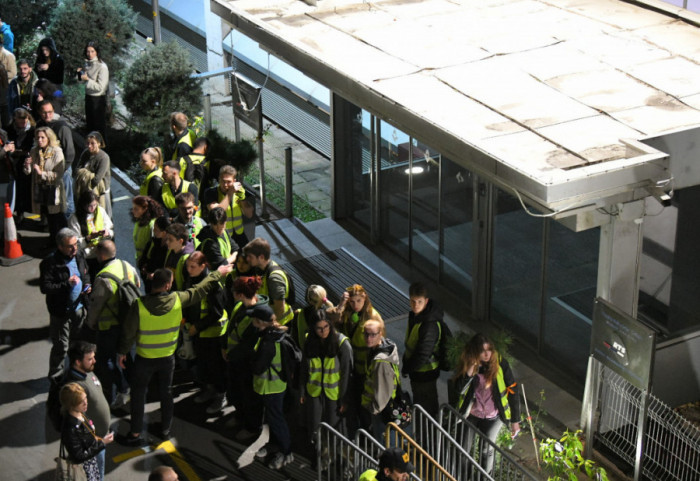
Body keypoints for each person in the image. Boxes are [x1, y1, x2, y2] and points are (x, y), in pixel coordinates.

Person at [117, 264, 233, 446]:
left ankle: (135, 433)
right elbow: (201, 288)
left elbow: (128, 333)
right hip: (167, 359)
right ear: (167, 286)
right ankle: (165, 429)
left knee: (138, 395)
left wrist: (123, 353)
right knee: (166, 392)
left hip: (144, 359)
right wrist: (219, 272)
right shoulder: (178, 299)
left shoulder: (138, 305)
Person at [453, 333, 520, 477]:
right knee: (463, 449)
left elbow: (513, 390)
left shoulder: (499, 363)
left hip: (492, 416)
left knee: (487, 451)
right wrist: (470, 370)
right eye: (482, 350)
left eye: (489, 349)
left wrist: (515, 420)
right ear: (475, 351)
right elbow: (458, 388)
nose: (487, 354)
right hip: (470, 413)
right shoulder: (468, 363)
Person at [87, 240, 140, 409]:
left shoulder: (103, 278)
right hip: (128, 322)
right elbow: (137, 285)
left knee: (106, 360)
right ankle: (134, 387)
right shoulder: (127, 266)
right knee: (125, 355)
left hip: (109, 326)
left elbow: (96, 305)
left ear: (101, 255)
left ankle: (121, 389)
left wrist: (90, 323)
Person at [330, 284, 383, 436]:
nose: (356, 305)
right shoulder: (346, 312)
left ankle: (369, 437)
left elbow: (380, 341)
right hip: (350, 368)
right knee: (352, 405)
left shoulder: (373, 316)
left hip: (366, 370)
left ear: (364, 298)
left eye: (359, 301)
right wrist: (341, 305)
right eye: (352, 302)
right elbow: (330, 318)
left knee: (366, 408)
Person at [41, 228, 90, 383]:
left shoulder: (79, 255)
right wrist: (66, 284)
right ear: (60, 246)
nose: (74, 248)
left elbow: (85, 272)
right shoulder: (50, 263)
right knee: (61, 346)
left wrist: (87, 284)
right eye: (70, 246)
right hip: (61, 312)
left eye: (75, 244)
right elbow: (45, 287)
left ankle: (76, 371)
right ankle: (56, 378)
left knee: (78, 343)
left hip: (79, 308)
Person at [250, 304, 294, 470]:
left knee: (276, 419)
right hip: (276, 385)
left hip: (271, 387)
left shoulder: (268, 341)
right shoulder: (275, 334)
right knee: (273, 418)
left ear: (260, 322)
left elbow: (258, 367)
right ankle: (275, 444)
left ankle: (286, 450)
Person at [183, 252, 228, 414]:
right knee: (204, 365)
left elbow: (216, 312)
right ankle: (209, 389)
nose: (189, 269)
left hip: (213, 334)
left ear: (203, 266)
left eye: (192, 267)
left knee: (215, 367)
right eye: (188, 266)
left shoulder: (213, 285)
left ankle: (220, 395)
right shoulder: (192, 279)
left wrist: (197, 326)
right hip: (199, 333)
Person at [60, 342, 112, 479]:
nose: (94, 361)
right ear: (77, 362)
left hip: (100, 439)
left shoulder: (86, 371)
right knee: (94, 476)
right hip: (94, 445)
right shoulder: (74, 386)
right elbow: (79, 453)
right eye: (90, 359)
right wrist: (99, 441)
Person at [300, 309, 352, 444]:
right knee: (314, 425)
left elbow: (347, 373)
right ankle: (318, 453)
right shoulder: (309, 341)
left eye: (326, 326)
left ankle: (332, 455)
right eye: (319, 328)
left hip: (333, 394)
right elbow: (304, 367)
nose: (323, 331)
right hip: (314, 391)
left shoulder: (342, 343)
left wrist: (344, 398)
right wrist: (302, 390)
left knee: (333, 428)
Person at [222, 276, 265, 439]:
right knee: (236, 391)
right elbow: (230, 327)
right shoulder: (240, 306)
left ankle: (252, 426)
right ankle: (240, 416)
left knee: (250, 396)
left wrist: (230, 353)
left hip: (247, 362)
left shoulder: (257, 315)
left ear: (240, 294)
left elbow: (248, 344)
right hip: (234, 359)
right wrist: (223, 347)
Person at [402, 281, 443, 418]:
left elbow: (422, 355)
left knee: (427, 410)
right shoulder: (416, 316)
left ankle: (425, 436)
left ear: (426, 301)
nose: (415, 305)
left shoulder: (428, 324)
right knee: (421, 406)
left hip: (426, 374)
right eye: (413, 301)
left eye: (419, 302)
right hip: (419, 373)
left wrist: (407, 367)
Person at [59, 382, 114, 481]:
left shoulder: (81, 413)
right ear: (71, 405)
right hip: (83, 469)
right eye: (81, 401)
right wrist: (102, 443)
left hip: (91, 463)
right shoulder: (70, 428)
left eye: (85, 398)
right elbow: (79, 456)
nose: (86, 403)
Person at [360, 319, 400, 442]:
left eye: (373, 334)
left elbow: (382, 389)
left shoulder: (380, 361)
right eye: (366, 334)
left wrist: (374, 408)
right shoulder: (384, 347)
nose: (369, 338)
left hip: (383, 411)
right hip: (386, 407)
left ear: (380, 333)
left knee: (386, 443)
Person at [26, 126, 66, 243]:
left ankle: (61, 242)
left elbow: (58, 175)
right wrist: (27, 165)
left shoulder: (56, 152)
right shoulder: (34, 151)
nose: (40, 140)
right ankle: (53, 240)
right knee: (47, 216)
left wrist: (41, 173)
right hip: (40, 189)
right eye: (38, 137)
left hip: (53, 190)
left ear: (49, 138)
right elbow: (28, 172)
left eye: (43, 137)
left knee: (56, 217)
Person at [37, 99, 75, 218]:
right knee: (52, 200)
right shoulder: (39, 125)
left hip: (62, 170)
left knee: (66, 200)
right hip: (47, 171)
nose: (47, 115)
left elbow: (70, 152)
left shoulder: (62, 127)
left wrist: (63, 170)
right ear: (39, 112)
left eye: (50, 112)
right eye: (44, 112)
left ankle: (69, 226)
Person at [243, 237, 294, 324]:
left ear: (261, 257)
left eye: (250, 256)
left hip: (280, 322)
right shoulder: (261, 269)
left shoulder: (274, 278)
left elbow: (279, 308)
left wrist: (271, 326)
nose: (247, 259)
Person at [202, 165, 253, 248]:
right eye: (223, 181)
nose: (225, 185)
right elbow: (216, 212)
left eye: (229, 182)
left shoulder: (239, 192)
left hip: (239, 235)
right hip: (221, 236)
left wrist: (243, 199)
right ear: (219, 180)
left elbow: (249, 214)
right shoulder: (210, 192)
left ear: (234, 181)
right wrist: (230, 193)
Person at [68, 190, 114, 278]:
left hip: (102, 255)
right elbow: (74, 243)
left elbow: (111, 229)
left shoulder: (100, 211)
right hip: (87, 258)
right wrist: (88, 238)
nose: (93, 208)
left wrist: (107, 233)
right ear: (83, 205)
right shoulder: (74, 219)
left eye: (95, 205)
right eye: (90, 206)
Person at [4, 108, 34, 216]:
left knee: (26, 188)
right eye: (19, 121)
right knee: (15, 189)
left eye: (24, 121)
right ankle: (18, 212)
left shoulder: (32, 130)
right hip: (14, 161)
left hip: (26, 160)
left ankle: (25, 210)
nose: (22, 124)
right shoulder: (9, 130)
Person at [75, 131, 111, 217]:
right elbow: (77, 169)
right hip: (86, 188)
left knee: (102, 214)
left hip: (100, 190)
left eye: (92, 143)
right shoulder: (85, 153)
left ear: (99, 143)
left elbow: (97, 178)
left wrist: (85, 176)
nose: (89, 146)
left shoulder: (104, 157)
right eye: (88, 143)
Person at [291, 284, 334, 350]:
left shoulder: (300, 314)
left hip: (308, 353)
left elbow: (297, 337)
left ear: (309, 300)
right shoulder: (330, 313)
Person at [79, 41, 109, 135]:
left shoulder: (102, 67)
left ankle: (101, 147)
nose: (90, 54)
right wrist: (80, 75)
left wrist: (87, 79)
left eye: (92, 51)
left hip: (98, 100)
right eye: (88, 51)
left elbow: (101, 87)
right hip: (89, 96)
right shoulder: (87, 63)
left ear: (97, 52)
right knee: (90, 124)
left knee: (98, 127)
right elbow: (82, 80)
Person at [139, 216, 170, 293]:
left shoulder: (170, 249)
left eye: (156, 229)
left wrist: (155, 275)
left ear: (164, 233)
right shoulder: (152, 243)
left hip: (162, 286)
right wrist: (143, 266)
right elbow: (144, 258)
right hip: (149, 283)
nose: (153, 230)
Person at [131, 195, 163, 264]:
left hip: (147, 260)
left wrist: (146, 262)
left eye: (136, 209)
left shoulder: (151, 224)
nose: (133, 211)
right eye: (133, 208)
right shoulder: (139, 221)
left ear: (144, 209)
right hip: (140, 257)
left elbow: (154, 246)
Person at [164, 222, 190, 289]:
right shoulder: (171, 250)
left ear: (180, 241)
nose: (167, 242)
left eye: (170, 240)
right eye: (167, 239)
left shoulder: (187, 259)